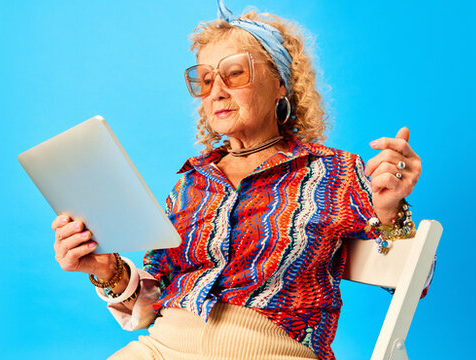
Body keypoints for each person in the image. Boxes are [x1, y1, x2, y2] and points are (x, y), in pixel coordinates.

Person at [50, 2, 430, 360]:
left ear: (281, 82)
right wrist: (105, 269)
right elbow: (153, 303)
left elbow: (416, 278)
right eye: (205, 78)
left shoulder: (333, 171)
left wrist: (388, 209)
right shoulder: (191, 182)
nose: (217, 90)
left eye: (234, 73)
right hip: (163, 347)